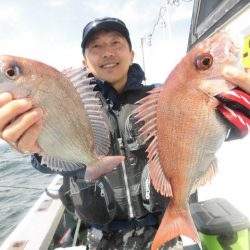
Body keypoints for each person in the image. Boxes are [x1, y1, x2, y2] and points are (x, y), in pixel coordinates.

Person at [0, 17, 250, 249]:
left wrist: (233, 124)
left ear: (131, 54)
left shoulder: (166, 97)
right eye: (95, 46)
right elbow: (54, 162)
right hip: (101, 237)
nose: (107, 52)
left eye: (116, 43)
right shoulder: (72, 104)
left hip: (161, 230)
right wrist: (35, 149)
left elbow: (196, 133)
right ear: (84, 62)